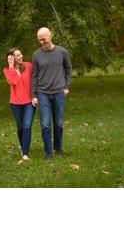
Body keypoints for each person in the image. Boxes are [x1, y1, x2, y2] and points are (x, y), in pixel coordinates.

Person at [32, 27, 72, 159]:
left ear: (50, 36)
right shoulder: (36, 55)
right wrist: (34, 95)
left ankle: (58, 148)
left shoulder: (62, 52)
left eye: (44, 39)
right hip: (43, 93)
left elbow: (68, 69)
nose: (41, 42)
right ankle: (48, 152)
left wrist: (66, 86)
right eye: (39, 40)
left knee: (58, 124)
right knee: (45, 125)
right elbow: (34, 76)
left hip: (59, 93)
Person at [3, 48, 36, 160]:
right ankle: (23, 146)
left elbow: (36, 80)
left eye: (20, 54)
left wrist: (35, 96)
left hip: (29, 102)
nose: (21, 56)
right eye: (18, 55)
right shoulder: (7, 70)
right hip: (15, 103)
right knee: (20, 127)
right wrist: (11, 66)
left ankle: (25, 153)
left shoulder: (28, 66)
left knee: (27, 126)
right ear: (11, 58)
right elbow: (14, 81)